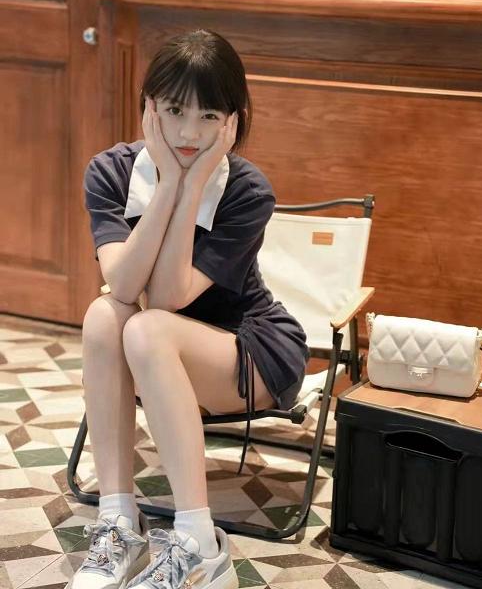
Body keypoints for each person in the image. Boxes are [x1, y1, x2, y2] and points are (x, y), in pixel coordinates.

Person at [70, 29, 309, 589]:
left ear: (232, 121)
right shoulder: (110, 172)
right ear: (148, 106)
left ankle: (198, 543)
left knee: (148, 328)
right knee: (105, 315)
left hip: (247, 349)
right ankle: (119, 522)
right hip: (152, 343)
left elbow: (166, 298)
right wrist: (168, 186)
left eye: (208, 116)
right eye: (175, 110)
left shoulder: (247, 191)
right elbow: (123, 286)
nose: (187, 132)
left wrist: (193, 179)